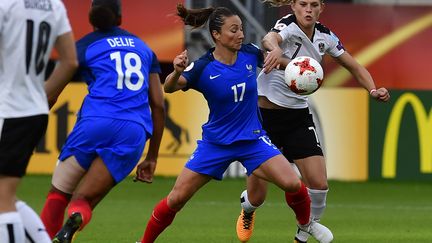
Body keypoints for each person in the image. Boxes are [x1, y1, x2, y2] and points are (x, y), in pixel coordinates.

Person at [135, 3, 333, 243]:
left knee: (293, 183)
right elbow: (169, 87)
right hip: (216, 144)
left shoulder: (250, 53)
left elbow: (280, 62)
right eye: (233, 30)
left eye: (241, 29)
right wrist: (176, 71)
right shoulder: (203, 67)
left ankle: (305, 227)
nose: (240, 34)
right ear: (216, 35)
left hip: (252, 140)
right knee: (176, 198)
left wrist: (301, 68)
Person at [235, 0, 390, 243]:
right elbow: (269, 38)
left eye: (314, 4)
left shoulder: (325, 37)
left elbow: (354, 66)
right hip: (265, 118)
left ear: (321, 8)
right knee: (257, 196)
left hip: (297, 116)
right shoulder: (286, 26)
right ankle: (248, 209)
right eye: (303, 4)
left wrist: (372, 90)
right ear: (294, 7)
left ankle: (302, 234)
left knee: (319, 185)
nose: (308, 9)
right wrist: (275, 49)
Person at [38, 0, 165, 242]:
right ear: (119, 18)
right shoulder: (144, 49)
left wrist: (29, 126)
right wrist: (152, 156)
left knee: (58, 193)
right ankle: (74, 218)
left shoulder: (83, 47)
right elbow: (158, 105)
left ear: (90, 18)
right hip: (132, 130)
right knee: (83, 200)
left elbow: (51, 94)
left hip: (94, 123)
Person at [0, 0, 77, 242]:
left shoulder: (6, 5)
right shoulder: (54, 5)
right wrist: (38, 97)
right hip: (33, 110)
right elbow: (70, 62)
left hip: (8, 110)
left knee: (2, 198)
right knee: (7, 195)